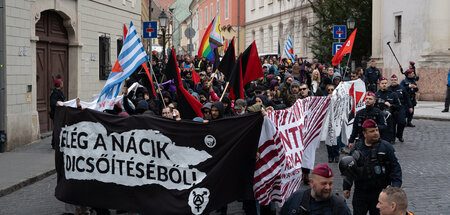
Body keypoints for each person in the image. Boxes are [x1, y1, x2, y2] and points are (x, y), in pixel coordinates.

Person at [341, 119, 402, 215]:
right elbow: (349, 169)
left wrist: (395, 187)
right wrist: (346, 187)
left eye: (376, 130)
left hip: (380, 192)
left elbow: (395, 168)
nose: (376, 133)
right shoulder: (357, 148)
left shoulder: (386, 147)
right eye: (372, 131)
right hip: (361, 192)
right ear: (364, 133)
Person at [280, 163, 351, 215]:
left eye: (330, 183)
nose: (327, 187)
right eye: (323, 183)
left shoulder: (339, 206)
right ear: (311, 183)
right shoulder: (296, 198)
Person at [376, 77, 401, 144]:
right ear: (379, 84)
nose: (384, 85)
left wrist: (391, 105)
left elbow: (399, 105)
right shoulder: (376, 94)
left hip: (391, 115)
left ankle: (391, 139)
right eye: (382, 83)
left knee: (391, 129)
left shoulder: (393, 94)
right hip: (379, 115)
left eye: (385, 83)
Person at [388, 74, 412, 142]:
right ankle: (392, 138)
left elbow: (407, 98)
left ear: (397, 80)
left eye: (395, 80)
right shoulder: (388, 89)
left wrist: (410, 106)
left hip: (400, 107)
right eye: (392, 80)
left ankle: (399, 135)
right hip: (392, 108)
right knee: (392, 124)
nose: (394, 81)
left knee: (402, 122)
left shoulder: (402, 88)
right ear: (390, 81)